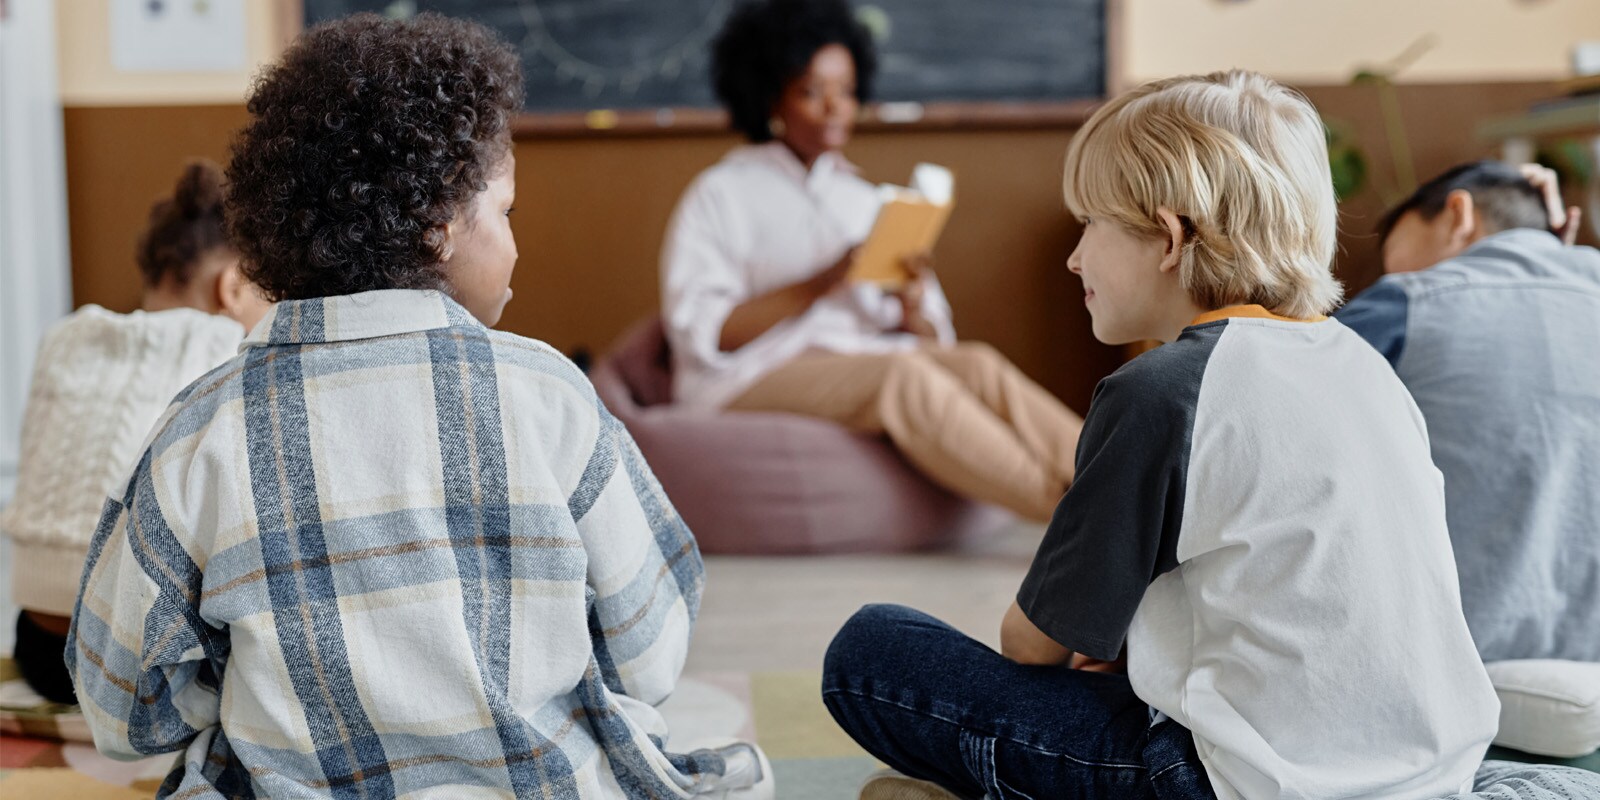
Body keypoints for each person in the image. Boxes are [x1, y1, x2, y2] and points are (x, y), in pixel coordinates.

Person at [66, 14, 769, 799]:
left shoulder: (198, 429)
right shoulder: (550, 396)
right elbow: (652, 648)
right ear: (438, 227)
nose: (515, 243)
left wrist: (243, 689)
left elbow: (120, 707)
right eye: (506, 212)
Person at [821, 70, 1498, 799]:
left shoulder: (1160, 390)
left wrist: (1087, 639)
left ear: (1170, 239)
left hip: (1234, 782)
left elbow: (1032, 644)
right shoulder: (1364, 367)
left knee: (871, 650)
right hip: (1436, 772)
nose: (1075, 257)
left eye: (1091, 225)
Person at [660, 0, 1083, 522]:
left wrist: (910, 304)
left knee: (975, 363)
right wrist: (824, 281)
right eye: (814, 91)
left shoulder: (865, 199)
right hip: (748, 376)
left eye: (847, 91)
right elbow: (705, 336)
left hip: (862, 358)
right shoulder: (719, 194)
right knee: (900, 378)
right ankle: (1077, 514)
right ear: (771, 96)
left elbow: (932, 340)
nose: (837, 107)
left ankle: (1119, 475)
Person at [1, 159, 268, 705]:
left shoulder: (68, 337)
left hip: (36, 642)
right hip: (122, 663)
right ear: (233, 285)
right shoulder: (221, 352)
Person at [1337, 160, 1600, 663]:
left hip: (1450, 670)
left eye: (1401, 261)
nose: (1395, 277)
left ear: (1458, 213)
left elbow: (1274, 404)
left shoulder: (1403, 306)